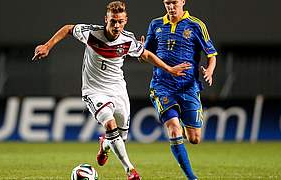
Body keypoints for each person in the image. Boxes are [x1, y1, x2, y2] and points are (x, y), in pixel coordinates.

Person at [32, 1, 191, 180]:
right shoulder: (92, 33)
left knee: (120, 138)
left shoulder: (128, 40)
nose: (116, 26)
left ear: (125, 21)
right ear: (106, 19)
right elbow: (69, 28)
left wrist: (169, 69)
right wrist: (47, 45)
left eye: (120, 21)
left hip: (118, 90)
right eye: (113, 21)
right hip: (94, 90)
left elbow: (145, 54)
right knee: (110, 125)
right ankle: (130, 171)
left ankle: (105, 144)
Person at [143, 0, 218, 179]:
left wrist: (209, 70)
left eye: (174, 2)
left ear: (183, 2)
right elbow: (146, 54)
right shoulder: (156, 24)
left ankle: (183, 121)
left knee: (194, 139)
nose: (171, 6)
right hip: (162, 86)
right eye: (167, 3)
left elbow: (211, 54)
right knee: (174, 129)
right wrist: (141, 53)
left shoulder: (196, 25)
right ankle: (192, 177)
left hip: (188, 87)